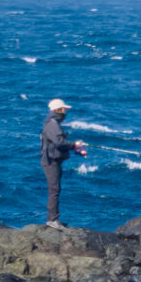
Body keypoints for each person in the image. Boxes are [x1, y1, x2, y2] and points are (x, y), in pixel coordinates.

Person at [40, 98, 86, 230]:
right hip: (51, 162)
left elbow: (59, 144)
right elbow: (59, 142)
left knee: (55, 189)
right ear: (58, 110)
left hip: (54, 160)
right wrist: (74, 145)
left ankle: (53, 219)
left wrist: (75, 149)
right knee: (54, 190)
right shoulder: (52, 124)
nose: (66, 111)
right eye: (64, 109)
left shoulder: (53, 123)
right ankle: (52, 220)